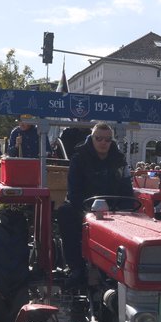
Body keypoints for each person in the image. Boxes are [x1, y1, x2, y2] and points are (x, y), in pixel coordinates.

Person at [58, 123, 133, 288]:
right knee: (66, 213)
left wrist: (123, 209)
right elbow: (74, 191)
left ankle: (127, 267)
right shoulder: (79, 158)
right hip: (84, 208)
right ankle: (76, 267)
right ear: (92, 138)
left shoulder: (119, 160)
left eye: (107, 139)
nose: (103, 142)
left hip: (114, 210)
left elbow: (127, 189)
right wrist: (88, 210)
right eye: (99, 138)